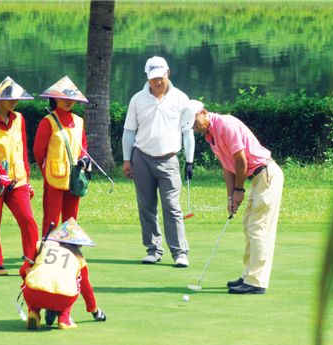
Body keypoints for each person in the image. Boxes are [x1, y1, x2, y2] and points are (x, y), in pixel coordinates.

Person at [187, 100, 284, 294]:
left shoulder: (225, 124)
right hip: (258, 178)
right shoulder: (211, 136)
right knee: (249, 225)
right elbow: (228, 167)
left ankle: (256, 282)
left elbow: (241, 161)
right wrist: (230, 197)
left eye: (194, 122)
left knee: (258, 228)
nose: (194, 128)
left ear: (203, 113)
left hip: (265, 175)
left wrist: (239, 190)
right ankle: (249, 275)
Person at [122, 56, 194, 267]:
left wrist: (189, 161)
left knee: (172, 206)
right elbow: (129, 132)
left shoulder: (181, 98)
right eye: (153, 78)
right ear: (147, 77)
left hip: (169, 158)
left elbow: (187, 132)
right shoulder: (137, 99)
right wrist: (127, 160)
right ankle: (153, 249)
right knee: (146, 206)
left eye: (160, 77)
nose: (157, 82)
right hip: (142, 157)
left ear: (167, 73)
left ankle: (180, 252)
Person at [0, 76, 38, 276]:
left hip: (17, 180)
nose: (14, 101)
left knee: (28, 220)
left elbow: (23, 152)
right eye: (10, 98)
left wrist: (27, 181)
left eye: (16, 98)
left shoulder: (20, 119)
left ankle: (31, 261)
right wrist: (0, 174)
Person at [20, 218, 106, 330]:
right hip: (63, 298)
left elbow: (22, 271)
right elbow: (86, 289)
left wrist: (28, 277)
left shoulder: (41, 246)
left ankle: (33, 312)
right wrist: (94, 310)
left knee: (30, 280)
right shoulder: (79, 258)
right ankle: (64, 319)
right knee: (76, 281)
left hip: (34, 294)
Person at [33, 76, 91, 237]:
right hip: (54, 175)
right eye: (63, 98)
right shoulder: (48, 122)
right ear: (54, 99)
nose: (68, 101)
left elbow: (83, 146)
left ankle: (69, 250)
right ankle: (46, 250)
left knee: (71, 218)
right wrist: (45, 169)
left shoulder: (79, 121)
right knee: (52, 218)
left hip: (75, 175)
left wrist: (84, 158)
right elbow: (38, 151)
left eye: (71, 98)